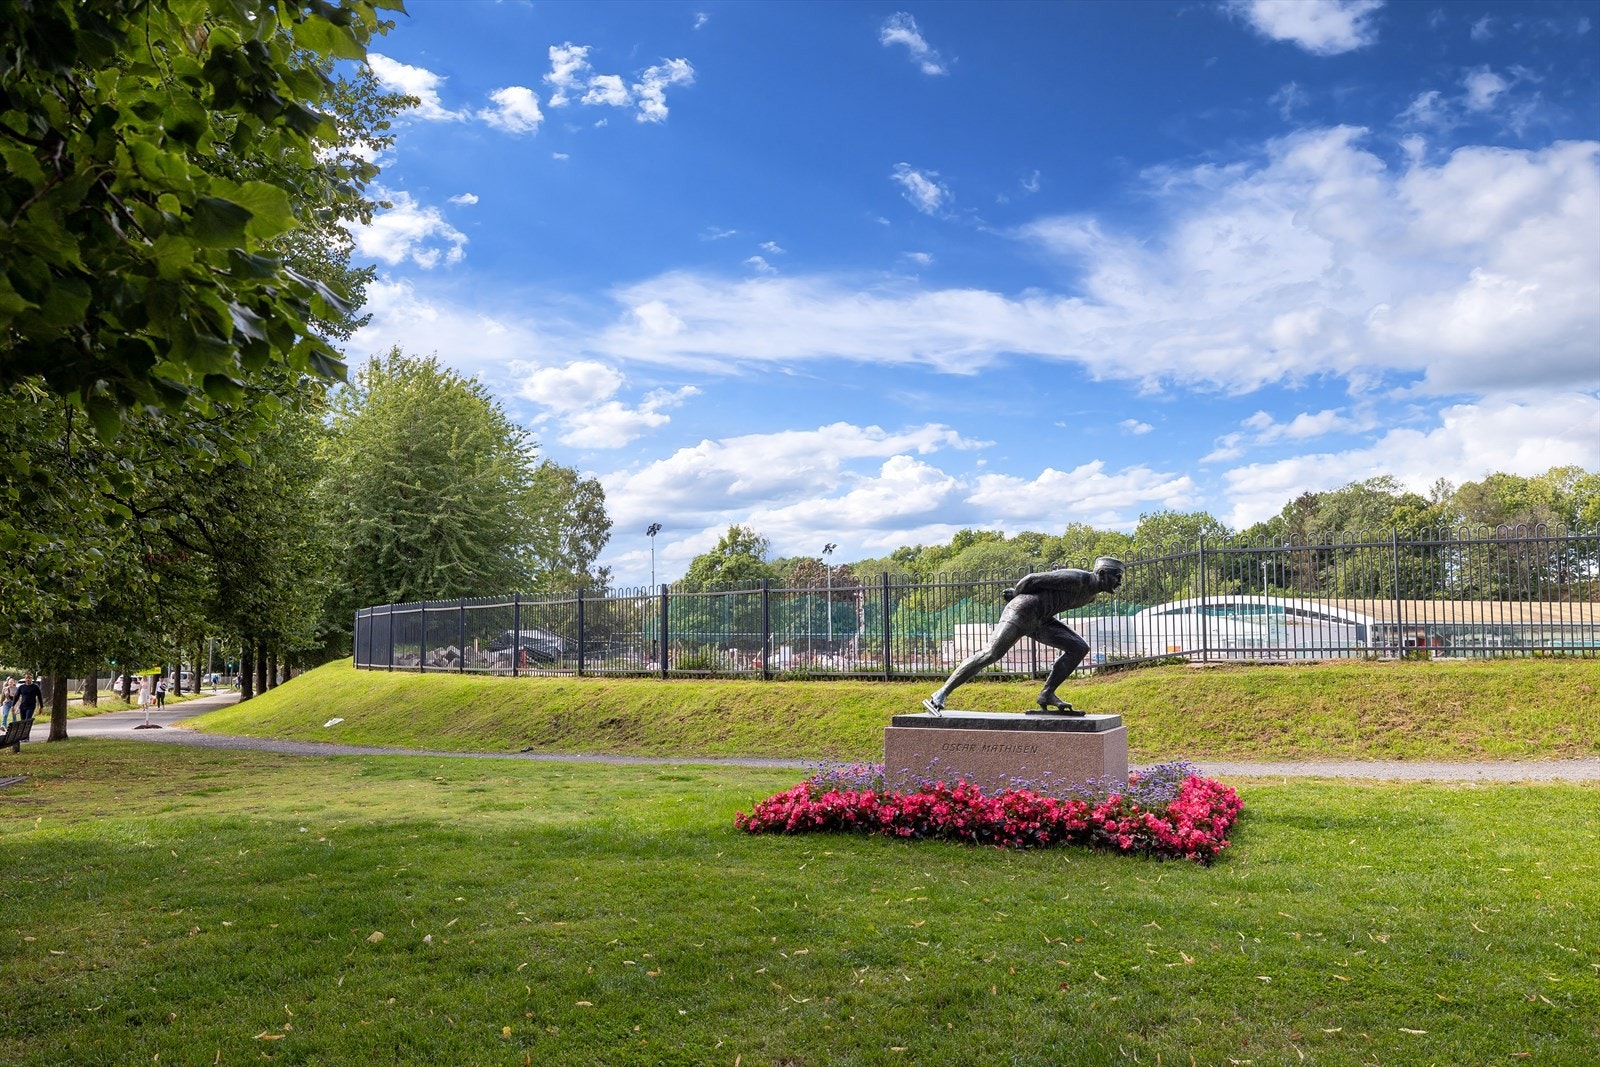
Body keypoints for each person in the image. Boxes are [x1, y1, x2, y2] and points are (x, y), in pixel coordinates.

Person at [923, 557, 1125, 716]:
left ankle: (1046, 694)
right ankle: (940, 694)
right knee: (991, 653)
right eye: (1117, 577)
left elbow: (1052, 589)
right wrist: (1016, 594)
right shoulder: (1079, 579)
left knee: (1079, 648)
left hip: (1041, 619)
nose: (1119, 582)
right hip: (1022, 611)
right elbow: (1031, 579)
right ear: (1102, 573)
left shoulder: (1090, 596)